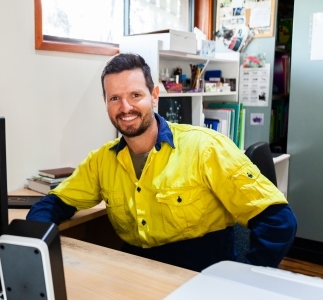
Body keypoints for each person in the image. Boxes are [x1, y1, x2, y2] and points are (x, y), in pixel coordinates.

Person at [26, 53, 297, 272]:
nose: (125, 107)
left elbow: (279, 221)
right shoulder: (101, 161)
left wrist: (244, 283)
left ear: (154, 95)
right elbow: (54, 204)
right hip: (136, 274)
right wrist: (31, 243)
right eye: (115, 98)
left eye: (135, 95)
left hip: (200, 276)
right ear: (105, 103)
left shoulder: (205, 148)